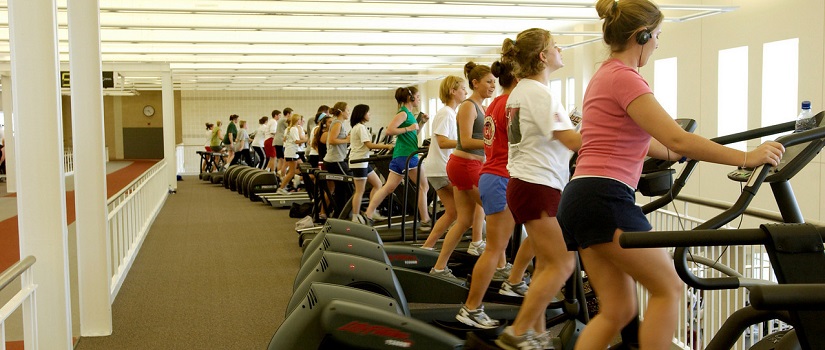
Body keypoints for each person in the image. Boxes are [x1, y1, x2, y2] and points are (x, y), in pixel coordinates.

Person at [555, 2, 785, 350]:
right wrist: (747, 157)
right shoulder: (625, 77)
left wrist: (673, 152)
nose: (659, 44)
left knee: (617, 309)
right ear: (642, 36)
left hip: (580, 197)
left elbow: (635, 139)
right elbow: (677, 136)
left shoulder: (603, 75)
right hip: (604, 197)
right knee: (670, 287)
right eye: (658, 36)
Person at [492, 28, 583, 350]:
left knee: (546, 265)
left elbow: (556, 137)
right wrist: (617, 137)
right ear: (543, 56)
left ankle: (538, 334)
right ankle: (517, 332)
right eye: (554, 46)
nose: (561, 49)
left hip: (528, 182)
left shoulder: (521, 91)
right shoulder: (540, 94)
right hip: (538, 184)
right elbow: (573, 141)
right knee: (563, 264)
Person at [455, 59, 536, 330]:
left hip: (497, 175)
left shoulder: (497, 103)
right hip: (499, 177)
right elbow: (519, 141)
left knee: (537, 233)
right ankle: (472, 308)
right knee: (493, 249)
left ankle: (514, 280)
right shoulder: (509, 105)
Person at [429, 62, 494, 280]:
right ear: (475, 83)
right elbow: (465, 141)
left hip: (468, 165)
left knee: (464, 219)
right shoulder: (468, 106)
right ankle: (501, 265)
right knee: (496, 214)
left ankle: (439, 268)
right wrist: (492, 143)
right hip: (465, 165)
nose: (493, 85)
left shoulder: (482, 106)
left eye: (494, 82)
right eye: (488, 82)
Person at [362, 86, 431, 227]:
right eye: (417, 96)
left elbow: (411, 134)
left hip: (401, 155)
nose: (418, 99)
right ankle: (425, 221)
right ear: (410, 98)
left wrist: (421, 123)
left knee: (388, 187)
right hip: (407, 156)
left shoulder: (409, 114)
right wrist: (409, 128)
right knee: (423, 186)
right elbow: (389, 131)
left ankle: (368, 214)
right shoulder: (403, 113)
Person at [421, 76, 465, 249]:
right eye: (462, 88)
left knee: (452, 212)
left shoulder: (450, 113)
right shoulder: (446, 113)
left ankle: (427, 246)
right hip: (442, 169)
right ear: (452, 91)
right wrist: (466, 142)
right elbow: (442, 142)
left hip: (437, 169)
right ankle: (479, 241)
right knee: (472, 209)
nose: (465, 91)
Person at [349, 104, 393, 222]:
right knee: (360, 191)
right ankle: (355, 216)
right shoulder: (360, 127)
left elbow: (368, 145)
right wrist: (387, 146)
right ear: (362, 114)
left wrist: (382, 146)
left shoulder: (359, 127)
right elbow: (369, 145)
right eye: (368, 113)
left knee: (378, 184)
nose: (370, 115)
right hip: (359, 162)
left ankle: (371, 211)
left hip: (363, 162)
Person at [276, 113, 308, 195]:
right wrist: (307, 139)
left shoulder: (288, 129)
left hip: (291, 151)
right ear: (297, 120)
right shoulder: (294, 129)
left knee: (303, 168)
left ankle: (298, 180)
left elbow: (284, 139)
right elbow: (297, 141)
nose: (301, 121)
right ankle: (281, 187)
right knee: (292, 172)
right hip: (292, 152)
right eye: (300, 120)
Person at [275, 108, 293, 177]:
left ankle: (279, 174)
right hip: (280, 140)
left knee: (280, 159)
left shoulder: (280, 120)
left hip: (277, 141)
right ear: (288, 114)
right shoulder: (285, 120)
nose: (291, 115)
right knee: (284, 160)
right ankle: (281, 175)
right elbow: (290, 127)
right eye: (291, 114)